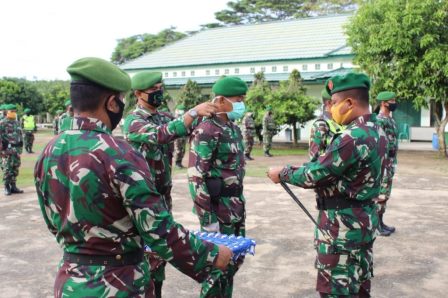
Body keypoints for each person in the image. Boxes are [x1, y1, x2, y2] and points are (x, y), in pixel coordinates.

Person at [34, 57, 232, 298]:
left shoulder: (48, 150)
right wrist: (212, 255)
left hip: (70, 282)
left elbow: (53, 223)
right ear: (112, 103)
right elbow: (158, 231)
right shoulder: (118, 153)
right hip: (119, 284)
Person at [267, 72, 388, 297]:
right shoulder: (377, 131)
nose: (331, 109)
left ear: (349, 103)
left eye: (334, 103)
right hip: (362, 220)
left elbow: (316, 174)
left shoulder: (352, 137)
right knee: (358, 285)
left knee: (337, 290)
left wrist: (282, 172)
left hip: (342, 227)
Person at [123, 71, 218, 297]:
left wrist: (211, 111)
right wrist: (193, 111)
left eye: (160, 88)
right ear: (138, 94)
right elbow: (161, 135)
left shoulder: (163, 116)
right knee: (144, 259)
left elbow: (183, 128)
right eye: (153, 90)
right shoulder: (134, 121)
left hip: (163, 198)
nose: (159, 93)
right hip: (142, 200)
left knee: (160, 256)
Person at [188, 76, 247, 297]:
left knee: (232, 264)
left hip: (235, 207)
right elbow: (196, 177)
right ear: (220, 100)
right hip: (217, 210)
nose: (241, 103)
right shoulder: (207, 130)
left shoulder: (232, 128)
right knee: (216, 267)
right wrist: (208, 221)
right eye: (237, 99)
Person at [375, 91, 399, 236]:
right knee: (381, 195)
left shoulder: (390, 120)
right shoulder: (379, 120)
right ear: (384, 103)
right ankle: (376, 225)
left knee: (386, 194)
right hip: (382, 164)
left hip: (390, 163)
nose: (394, 103)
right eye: (392, 100)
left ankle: (381, 222)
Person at [309, 89, 343, 160]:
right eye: (341, 101)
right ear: (330, 103)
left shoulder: (341, 121)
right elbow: (314, 159)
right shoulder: (321, 125)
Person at [0, 104, 24, 195]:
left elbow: (20, 135)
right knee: (7, 169)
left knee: (15, 168)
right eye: (11, 111)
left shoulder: (17, 122)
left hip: (16, 150)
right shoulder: (2, 123)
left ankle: (13, 186)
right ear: (6, 112)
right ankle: (6, 186)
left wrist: (20, 148)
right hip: (7, 150)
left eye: (14, 111)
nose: (13, 113)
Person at [173, 104, 187, 168]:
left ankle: (179, 163)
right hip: (177, 137)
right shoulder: (175, 118)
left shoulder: (184, 117)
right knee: (178, 150)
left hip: (183, 136)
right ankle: (177, 163)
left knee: (183, 150)